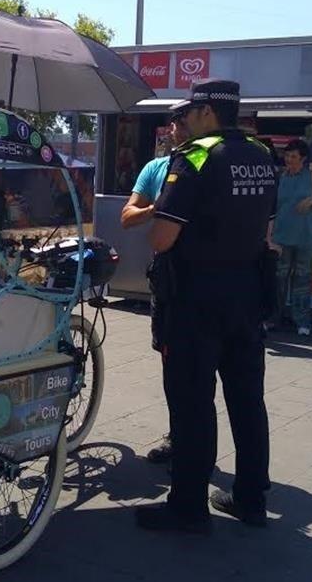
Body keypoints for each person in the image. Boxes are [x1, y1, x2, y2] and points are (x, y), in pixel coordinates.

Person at [137, 79, 278, 533]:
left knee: (192, 403)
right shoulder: (261, 155)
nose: (184, 121)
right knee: (247, 400)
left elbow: (162, 236)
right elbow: (268, 233)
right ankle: (252, 500)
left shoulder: (195, 156)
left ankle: (188, 508)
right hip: (248, 294)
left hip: (196, 299)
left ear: (205, 113)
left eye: (189, 112)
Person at [120, 116, 191, 464]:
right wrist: (156, 208)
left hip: (205, 282)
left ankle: (191, 444)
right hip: (168, 280)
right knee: (172, 364)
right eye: (175, 124)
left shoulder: (208, 164)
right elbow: (127, 216)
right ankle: (178, 436)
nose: (178, 129)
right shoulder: (156, 168)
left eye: (185, 121)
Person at [270, 139, 312, 335]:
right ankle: (272, 318)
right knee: (278, 279)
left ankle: (302, 321)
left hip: (305, 236)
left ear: (303, 159)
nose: (289, 160)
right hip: (281, 235)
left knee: (302, 280)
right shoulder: (279, 177)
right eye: (287, 156)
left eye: (293, 156)